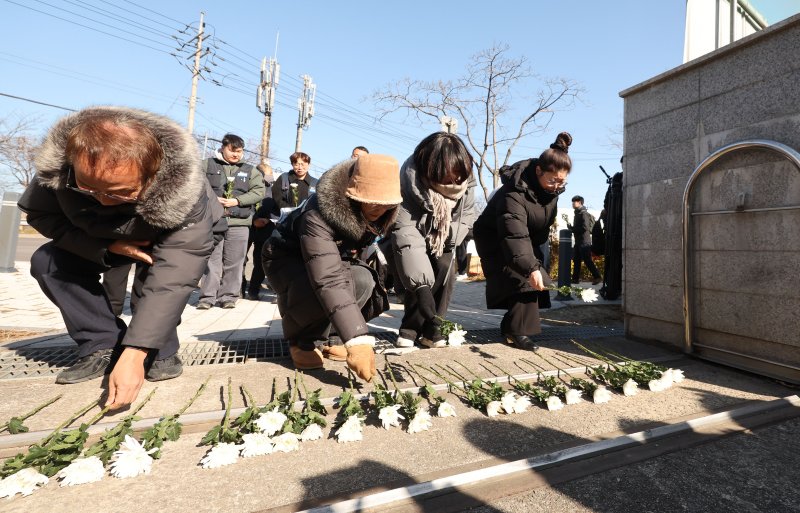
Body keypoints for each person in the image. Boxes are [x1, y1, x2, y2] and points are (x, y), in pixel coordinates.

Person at [18, 106, 224, 410]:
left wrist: (137, 352)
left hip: (169, 236)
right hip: (102, 237)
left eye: (118, 192)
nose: (101, 200)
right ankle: (101, 342)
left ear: (152, 173)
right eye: (87, 188)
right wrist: (107, 247)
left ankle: (161, 350)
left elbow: (173, 278)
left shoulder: (186, 191)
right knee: (48, 261)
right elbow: (42, 215)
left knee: (153, 285)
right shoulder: (60, 168)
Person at [262, 154, 402, 381]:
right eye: (372, 200)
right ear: (353, 192)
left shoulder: (386, 212)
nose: (378, 208)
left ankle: (332, 338)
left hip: (328, 258)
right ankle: (303, 341)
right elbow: (327, 277)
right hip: (285, 257)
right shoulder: (319, 213)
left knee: (362, 279)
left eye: (386, 204)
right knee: (317, 285)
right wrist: (357, 338)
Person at [473, 132, 573, 351]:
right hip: (496, 236)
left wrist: (536, 260)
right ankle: (519, 332)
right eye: (553, 180)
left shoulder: (550, 193)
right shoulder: (514, 192)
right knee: (523, 276)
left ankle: (512, 326)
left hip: (523, 237)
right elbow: (514, 233)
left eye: (562, 182)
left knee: (535, 276)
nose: (557, 186)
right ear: (538, 171)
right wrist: (531, 265)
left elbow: (538, 227)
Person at [391, 132, 477, 348]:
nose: (455, 182)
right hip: (414, 234)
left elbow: (467, 214)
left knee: (445, 267)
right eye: (449, 176)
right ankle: (410, 328)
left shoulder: (466, 181)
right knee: (419, 280)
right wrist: (421, 286)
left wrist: (450, 237)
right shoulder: (408, 184)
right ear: (430, 168)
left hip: (446, 236)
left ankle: (433, 329)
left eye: (459, 175)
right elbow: (406, 235)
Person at [197, 134, 265, 309]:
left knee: (235, 261)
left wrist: (238, 201)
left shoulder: (251, 170)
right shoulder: (206, 164)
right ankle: (207, 297)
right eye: (232, 150)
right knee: (212, 261)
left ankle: (229, 297)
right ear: (223, 148)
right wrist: (212, 198)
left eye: (239, 151)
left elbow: (259, 191)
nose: (236, 154)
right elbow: (194, 183)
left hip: (239, 223)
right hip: (212, 221)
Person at [241, 162, 276, 300]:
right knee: (240, 259)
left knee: (260, 262)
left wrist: (268, 220)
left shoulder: (273, 189)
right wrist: (252, 219)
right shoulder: (247, 186)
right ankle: (240, 287)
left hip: (265, 230)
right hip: (247, 227)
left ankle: (254, 289)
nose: (270, 179)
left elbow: (277, 208)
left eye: (271, 175)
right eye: (267, 176)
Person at [271, 151, 318, 219]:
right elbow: (277, 197)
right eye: (296, 164)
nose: (300, 167)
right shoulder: (283, 178)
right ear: (292, 164)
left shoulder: (315, 183)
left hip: (306, 221)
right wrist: (290, 211)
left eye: (303, 164)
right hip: (285, 219)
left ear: (308, 165)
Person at [567, 195, 602, 285]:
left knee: (587, 260)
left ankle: (597, 277)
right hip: (579, 241)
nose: (572, 204)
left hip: (584, 241)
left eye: (574, 202)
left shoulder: (583, 213)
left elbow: (585, 228)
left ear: (580, 203)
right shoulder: (577, 213)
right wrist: (571, 227)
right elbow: (579, 227)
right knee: (576, 260)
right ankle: (575, 279)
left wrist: (573, 229)